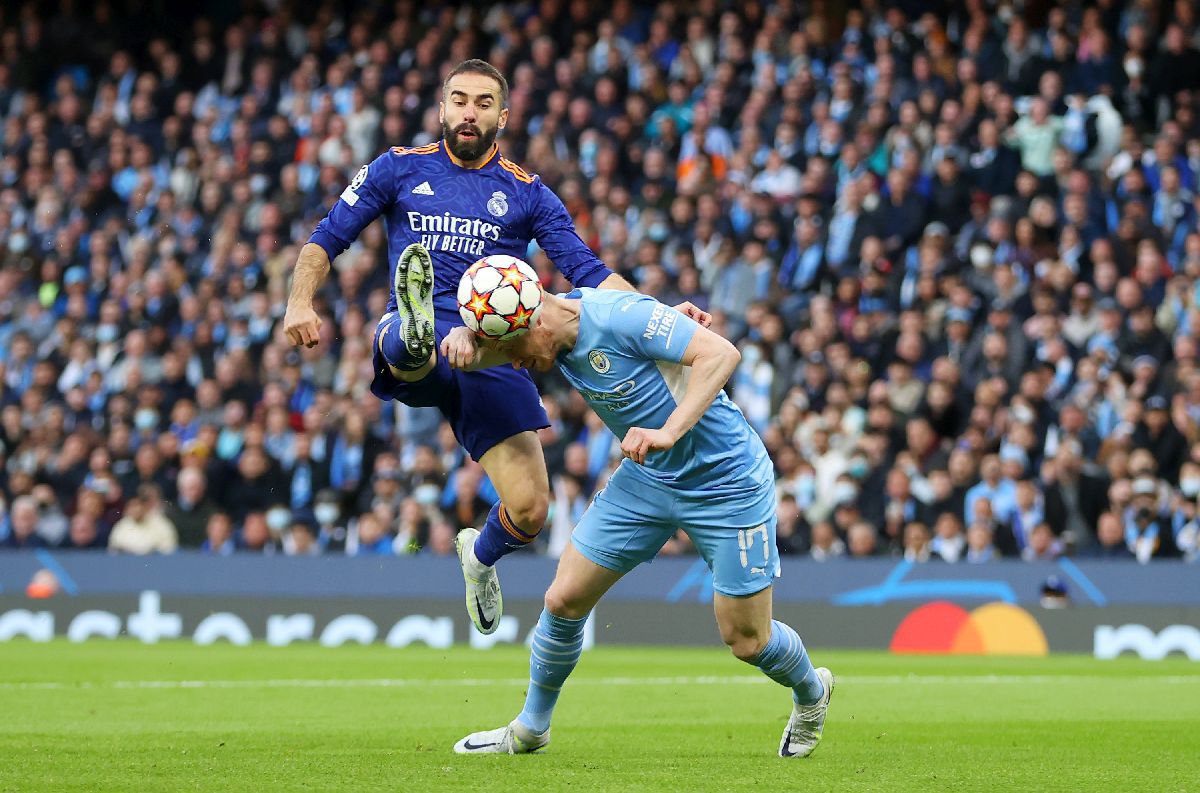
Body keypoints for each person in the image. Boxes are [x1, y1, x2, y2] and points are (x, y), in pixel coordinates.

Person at [283, 58, 705, 634]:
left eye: (483, 104)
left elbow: (589, 272)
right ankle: (413, 337)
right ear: (441, 108)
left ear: (502, 117)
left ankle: (479, 559)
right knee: (412, 345)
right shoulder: (397, 168)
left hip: (496, 348)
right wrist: (299, 301)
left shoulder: (527, 192)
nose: (469, 112)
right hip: (422, 330)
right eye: (459, 100)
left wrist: (659, 316)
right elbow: (325, 238)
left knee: (531, 511)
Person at [444, 287, 833, 758]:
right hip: (648, 478)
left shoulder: (617, 317)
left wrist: (669, 430)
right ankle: (531, 729)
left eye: (516, 350)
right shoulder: (552, 329)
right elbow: (491, 350)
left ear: (536, 323)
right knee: (563, 600)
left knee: (748, 641)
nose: (517, 364)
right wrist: (461, 338)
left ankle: (812, 693)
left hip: (727, 483)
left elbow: (721, 354)